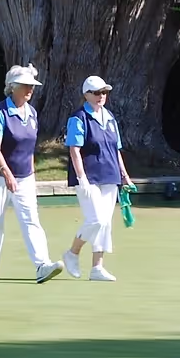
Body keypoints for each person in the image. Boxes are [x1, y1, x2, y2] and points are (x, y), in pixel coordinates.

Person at [0, 64, 64, 284]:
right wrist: (7, 174)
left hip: (25, 177)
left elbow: (29, 147)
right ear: (12, 87)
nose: (29, 89)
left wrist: (30, 174)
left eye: (31, 85)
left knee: (31, 220)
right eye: (25, 85)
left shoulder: (32, 113)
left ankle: (42, 265)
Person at [62, 75, 135, 282]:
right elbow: (74, 150)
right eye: (96, 92)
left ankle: (97, 268)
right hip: (89, 177)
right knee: (96, 220)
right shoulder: (78, 118)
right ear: (86, 95)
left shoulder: (110, 117)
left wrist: (125, 176)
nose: (101, 96)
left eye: (104, 92)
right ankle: (72, 253)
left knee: (105, 223)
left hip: (110, 176)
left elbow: (116, 149)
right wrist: (81, 177)